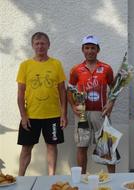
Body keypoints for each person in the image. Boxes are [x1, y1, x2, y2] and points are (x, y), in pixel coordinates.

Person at [16, 32, 67, 176]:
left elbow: (62, 90)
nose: (40, 46)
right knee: (26, 148)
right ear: (32, 46)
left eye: (43, 43)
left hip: (53, 115)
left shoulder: (56, 64)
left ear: (48, 45)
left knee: (52, 146)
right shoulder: (25, 65)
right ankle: (20, 177)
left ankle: (51, 177)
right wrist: (23, 116)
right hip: (31, 115)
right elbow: (20, 93)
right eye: (37, 43)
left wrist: (63, 114)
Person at [68, 35, 116, 173]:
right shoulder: (76, 69)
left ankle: (112, 178)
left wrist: (111, 103)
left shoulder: (106, 68)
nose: (90, 51)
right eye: (87, 48)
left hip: (101, 113)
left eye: (93, 48)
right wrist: (73, 107)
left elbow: (115, 88)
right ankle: (82, 178)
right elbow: (69, 89)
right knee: (82, 146)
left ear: (98, 50)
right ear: (83, 50)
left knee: (107, 146)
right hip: (82, 114)